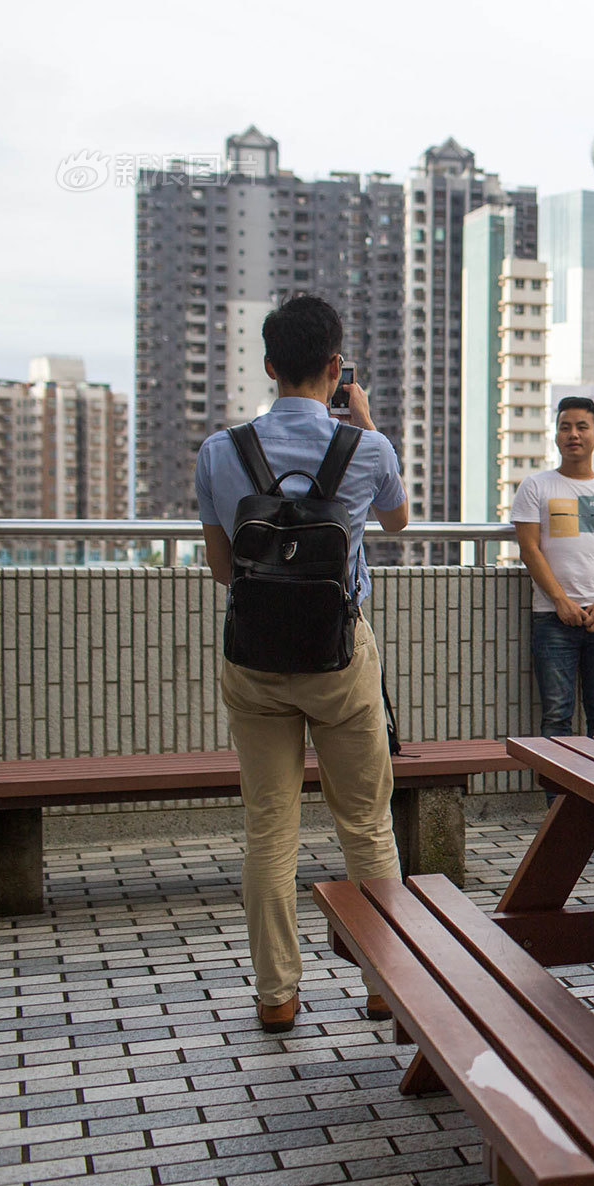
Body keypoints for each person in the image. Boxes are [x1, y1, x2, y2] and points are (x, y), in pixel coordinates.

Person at [196, 295, 409, 1033]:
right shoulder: (366, 448)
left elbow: (223, 569)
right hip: (339, 657)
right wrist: (366, 416)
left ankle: (276, 994)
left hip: (253, 660)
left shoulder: (221, 452)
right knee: (366, 821)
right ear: (334, 366)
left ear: (267, 366)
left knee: (269, 829)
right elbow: (398, 518)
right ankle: (386, 985)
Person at [511, 397, 594, 738]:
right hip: (551, 617)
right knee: (556, 716)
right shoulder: (535, 486)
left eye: (582, 427)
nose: (573, 434)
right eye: (565, 427)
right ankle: (559, 795)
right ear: (555, 436)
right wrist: (560, 601)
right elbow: (529, 549)